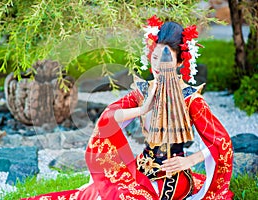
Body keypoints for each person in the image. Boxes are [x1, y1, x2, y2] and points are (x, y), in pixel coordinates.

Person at [22, 16, 234, 200]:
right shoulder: (144, 90)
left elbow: (221, 142)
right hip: (141, 168)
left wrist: (189, 160)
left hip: (173, 177)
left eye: (166, 58)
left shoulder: (191, 99)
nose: (158, 65)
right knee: (99, 192)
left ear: (180, 62)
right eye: (155, 57)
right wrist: (142, 109)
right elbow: (110, 117)